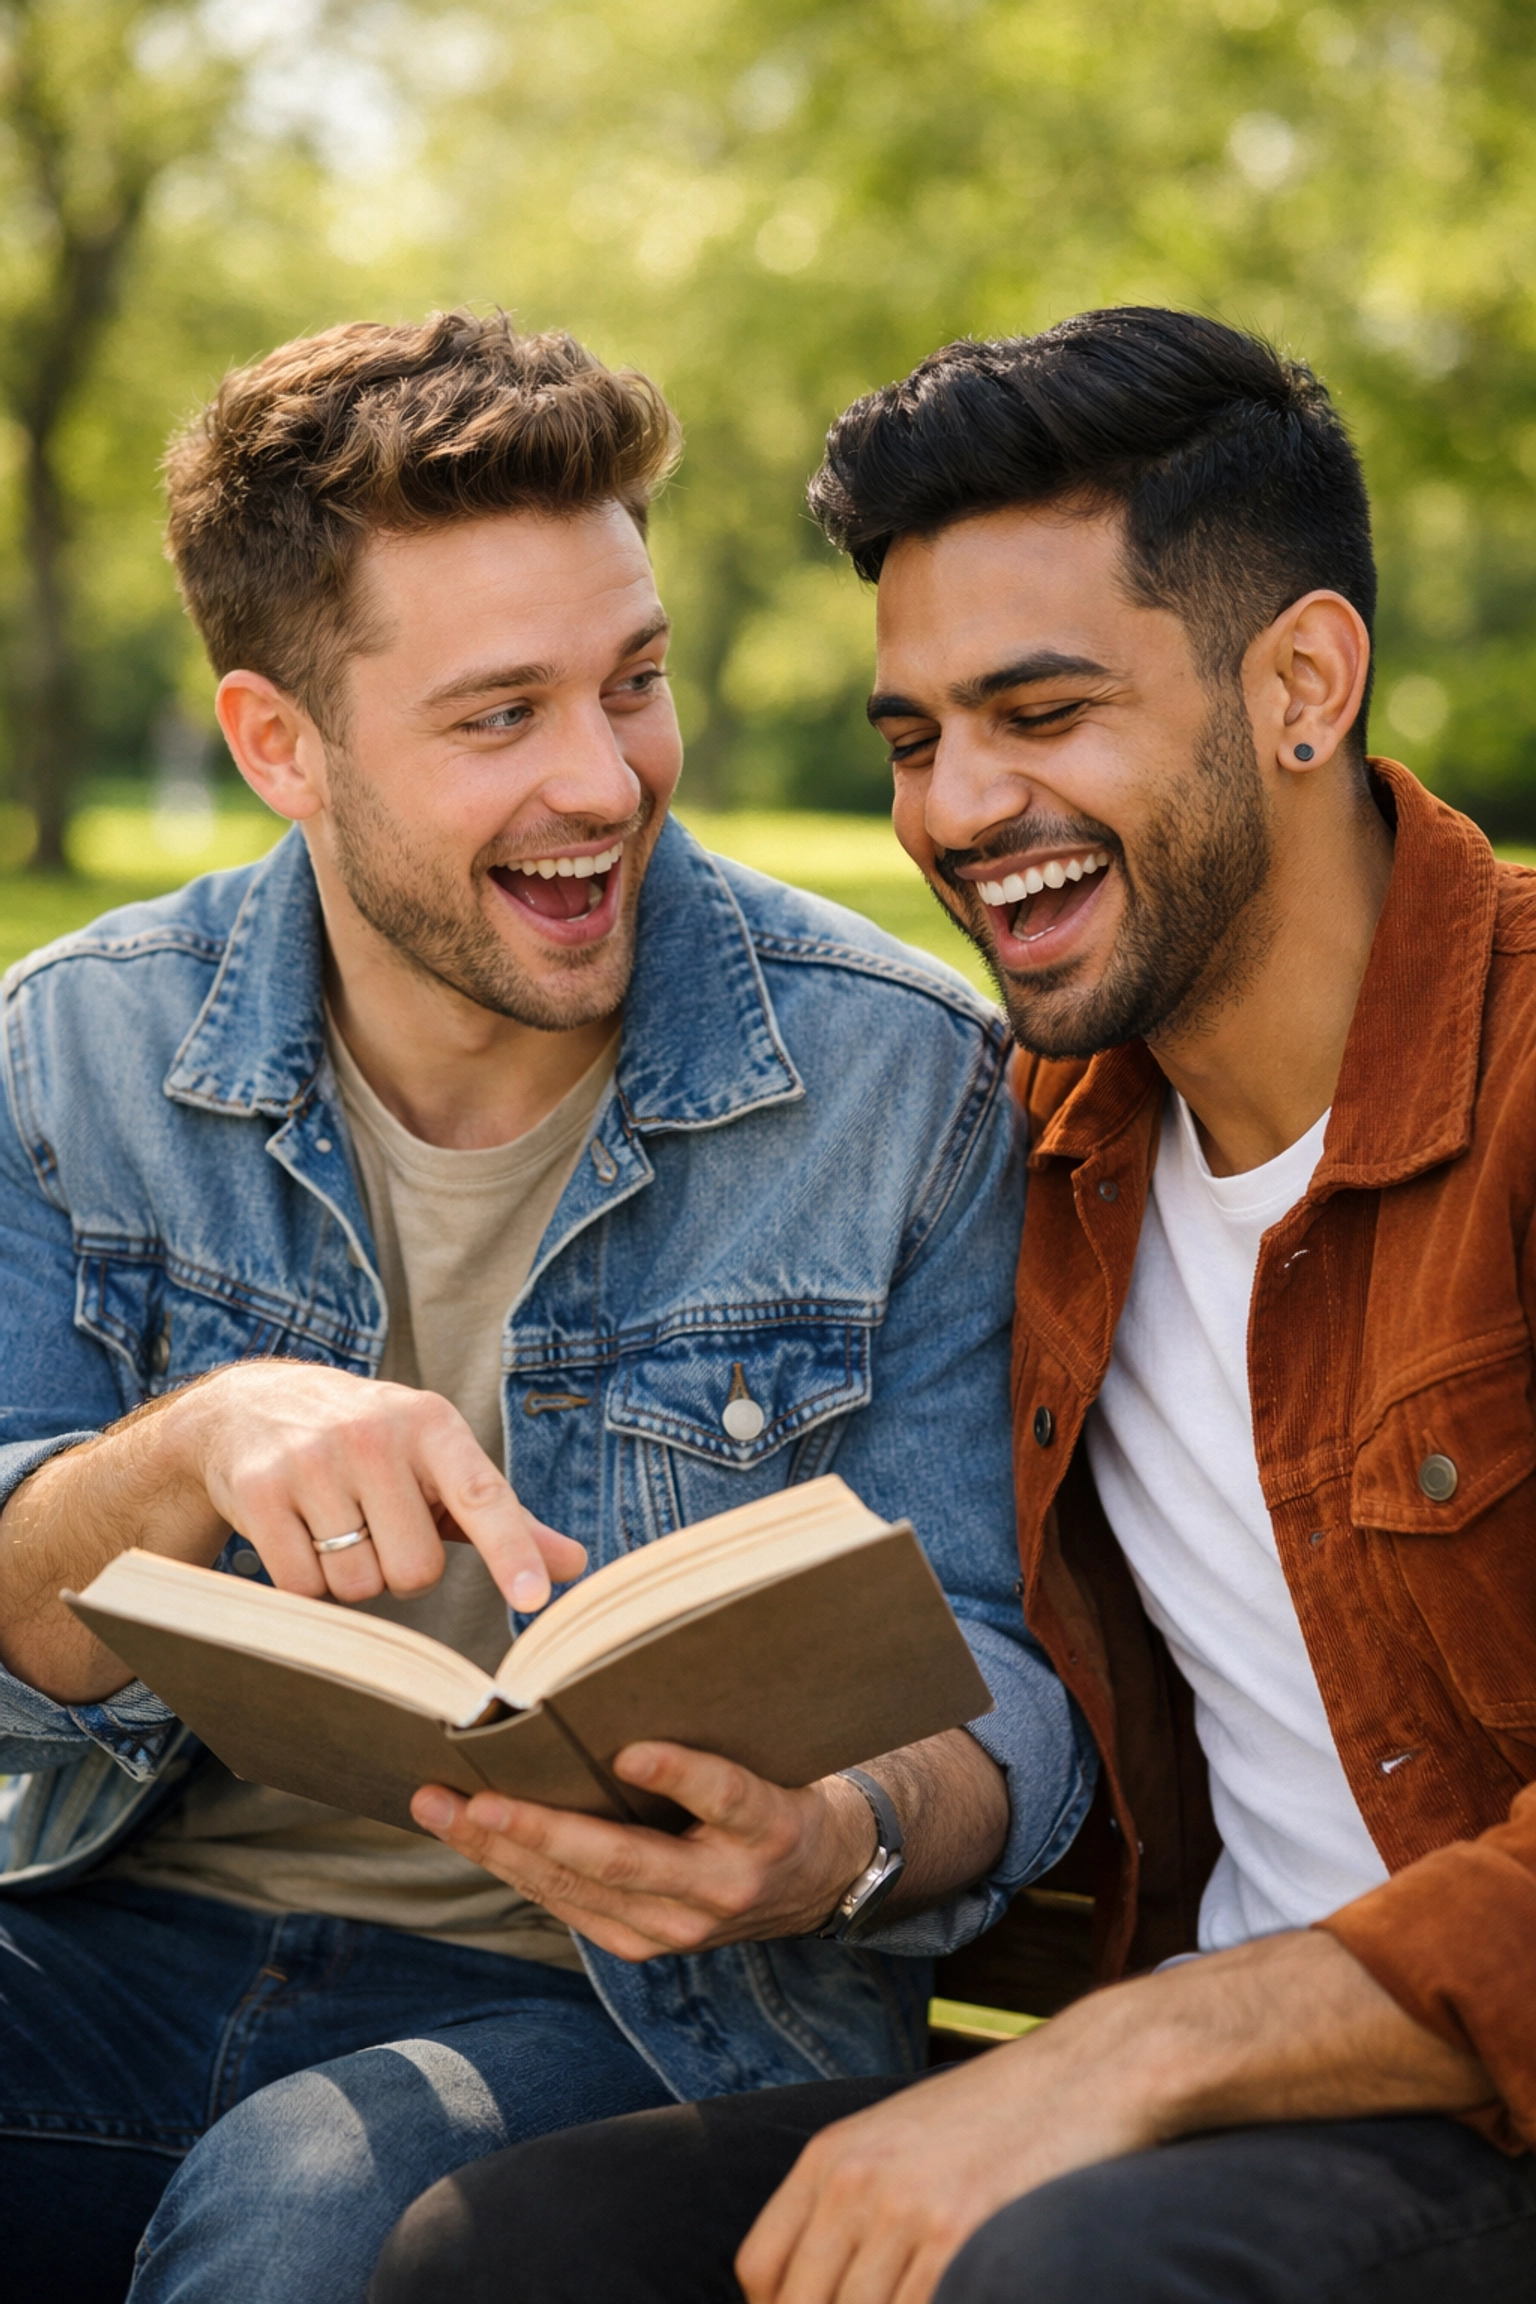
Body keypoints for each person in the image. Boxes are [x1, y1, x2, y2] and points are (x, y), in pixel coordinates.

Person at [368, 308, 1536, 2304]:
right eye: (915, 738)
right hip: (1190, 2075)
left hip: (1458, 2098)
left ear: (1305, 686)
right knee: (507, 2248)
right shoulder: (1038, 1144)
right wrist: (803, 1826)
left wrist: (1142, 2048)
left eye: (1044, 711)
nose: (960, 810)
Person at [0, 312, 1093, 2304]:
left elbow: (1004, 1682)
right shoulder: (74, 1051)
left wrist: (831, 1837)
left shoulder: (894, 1085)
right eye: (501, 715)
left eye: (637, 682)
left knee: (308, 2223)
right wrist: (188, 1447)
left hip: (631, 2019)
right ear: (279, 745)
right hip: (110, 1945)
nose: (605, 778)